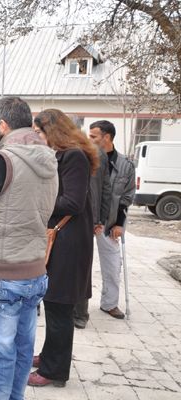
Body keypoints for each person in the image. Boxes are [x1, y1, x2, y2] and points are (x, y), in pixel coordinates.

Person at [0, 97, 58, 400]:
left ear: (2, 125)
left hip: (2, 275)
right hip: (34, 271)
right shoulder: (49, 160)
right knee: (20, 353)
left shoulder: (2, 160)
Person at [28, 109, 99, 388]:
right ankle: (48, 355)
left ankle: (54, 371)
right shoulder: (64, 155)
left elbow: (73, 202)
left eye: (39, 132)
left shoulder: (74, 157)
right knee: (54, 303)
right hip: (64, 240)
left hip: (69, 243)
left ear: (53, 131)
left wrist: (38, 205)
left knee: (59, 306)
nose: (37, 137)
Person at [88, 120, 136, 319]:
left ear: (106, 137)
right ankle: (75, 306)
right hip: (86, 221)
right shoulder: (86, 158)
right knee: (79, 265)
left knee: (112, 265)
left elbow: (127, 197)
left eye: (93, 137)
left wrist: (119, 224)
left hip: (108, 225)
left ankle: (109, 303)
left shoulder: (125, 165)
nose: (89, 140)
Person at [73, 145, 112, 329]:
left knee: (81, 268)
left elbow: (106, 188)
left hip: (87, 220)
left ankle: (80, 313)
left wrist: (100, 219)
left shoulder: (96, 154)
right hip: (64, 220)